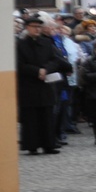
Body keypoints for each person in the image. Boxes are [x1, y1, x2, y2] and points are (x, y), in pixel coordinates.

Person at [17, 15, 72, 155]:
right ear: (27, 28)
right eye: (34, 27)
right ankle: (32, 145)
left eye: (39, 27)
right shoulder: (20, 45)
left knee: (47, 116)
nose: (37, 29)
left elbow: (55, 60)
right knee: (31, 117)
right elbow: (20, 65)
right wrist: (37, 71)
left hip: (45, 85)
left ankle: (49, 144)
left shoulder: (47, 43)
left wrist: (46, 69)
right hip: (29, 85)